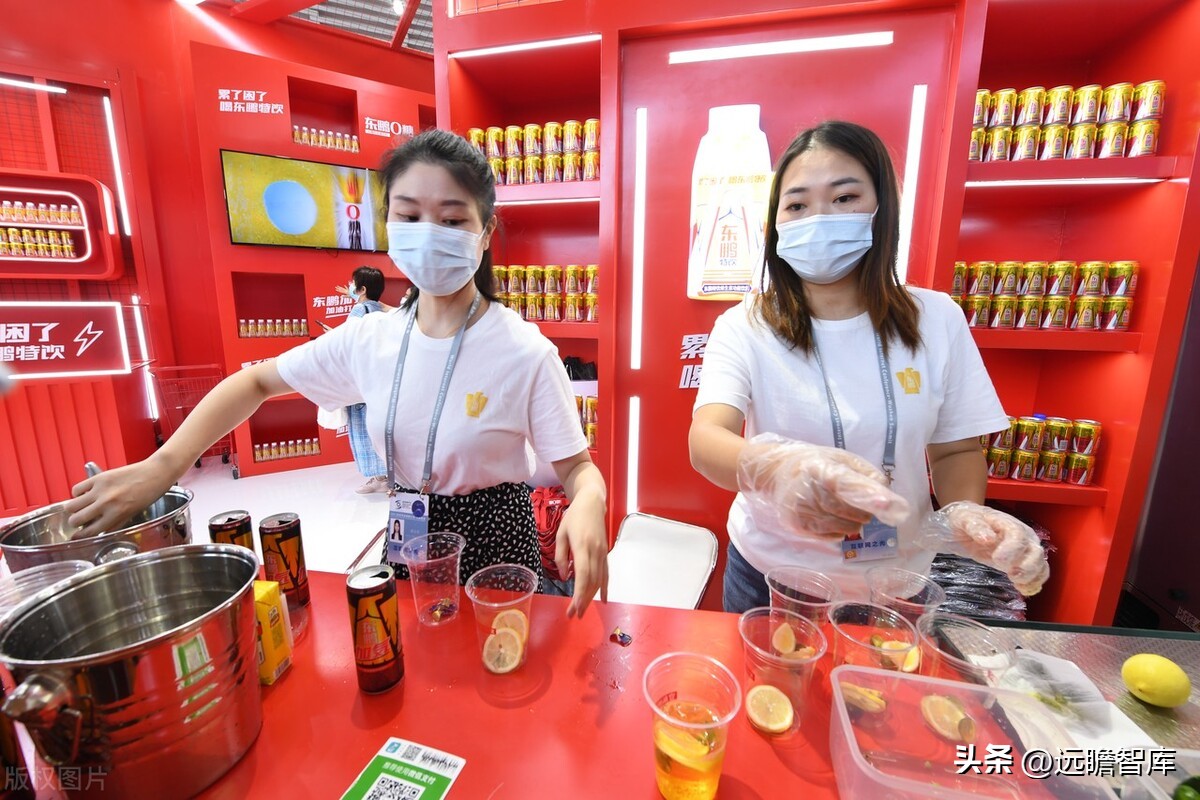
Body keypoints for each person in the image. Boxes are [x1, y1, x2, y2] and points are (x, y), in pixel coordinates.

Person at [66, 129, 609, 618]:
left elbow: (578, 469)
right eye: (409, 215)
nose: (428, 232)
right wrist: (163, 466)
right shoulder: (369, 339)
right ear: (388, 223)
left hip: (496, 548)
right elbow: (254, 382)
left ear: (485, 232)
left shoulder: (523, 350)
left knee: (497, 686)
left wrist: (589, 501)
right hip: (410, 534)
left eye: (451, 219)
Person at [688, 120, 1044, 613]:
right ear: (775, 226)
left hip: (898, 579)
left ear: (882, 210)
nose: (819, 218)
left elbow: (956, 451)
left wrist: (964, 512)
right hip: (771, 575)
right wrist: (776, 467)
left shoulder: (936, 318)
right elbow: (707, 440)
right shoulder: (746, 323)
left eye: (843, 198)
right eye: (796, 205)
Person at [341, 266, 390, 494]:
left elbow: (348, 343)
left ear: (361, 289)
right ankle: (389, 475)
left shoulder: (359, 311)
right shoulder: (383, 311)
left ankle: (376, 477)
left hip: (361, 381)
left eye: (353, 284)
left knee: (362, 429)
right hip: (382, 380)